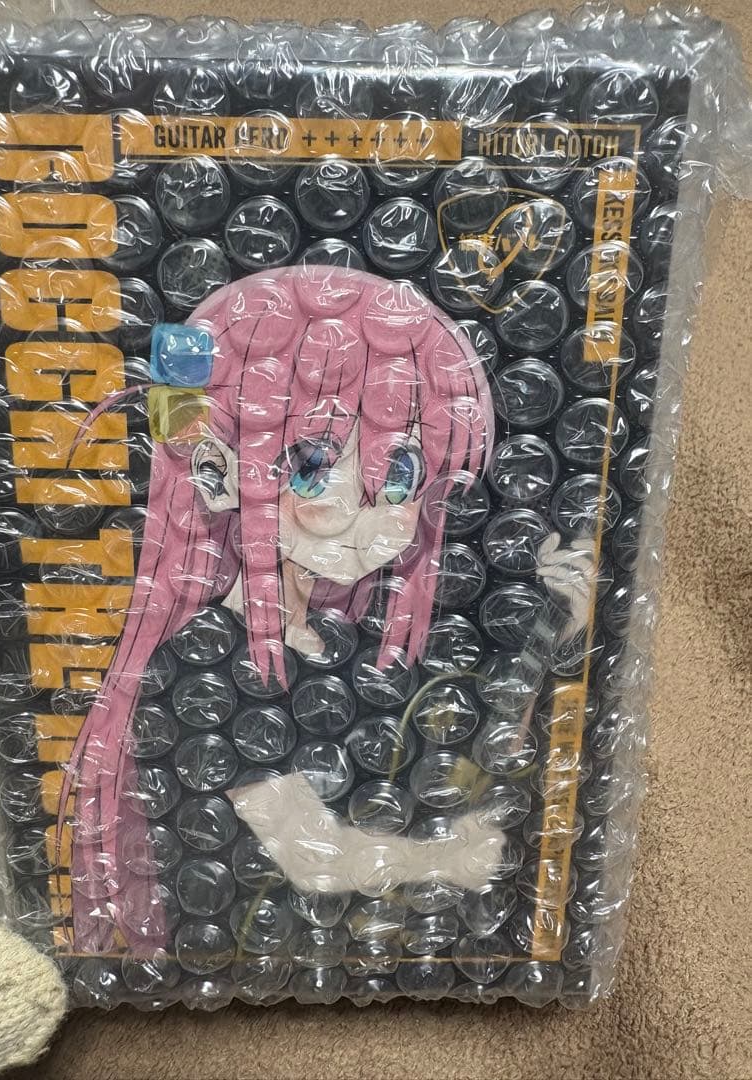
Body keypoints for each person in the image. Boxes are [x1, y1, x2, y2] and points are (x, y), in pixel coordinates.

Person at [59, 265, 592, 953]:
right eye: (311, 468)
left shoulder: (343, 646)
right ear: (218, 473)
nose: (353, 511)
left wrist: (558, 627)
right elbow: (313, 859)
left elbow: (463, 765)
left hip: (363, 958)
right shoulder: (200, 665)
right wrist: (449, 860)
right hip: (249, 959)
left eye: (399, 477)